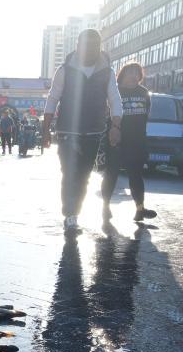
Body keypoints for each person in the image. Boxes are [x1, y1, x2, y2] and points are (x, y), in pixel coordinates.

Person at [42, 29, 123, 233]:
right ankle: (70, 215)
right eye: (85, 46)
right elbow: (53, 99)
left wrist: (116, 126)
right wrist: (45, 130)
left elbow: (115, 99)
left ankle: (74, 212)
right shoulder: (65, 70)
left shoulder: (107, 72)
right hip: (67, 131)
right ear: (77, 46)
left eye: (94, 46)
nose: (89, 50)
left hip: (94, 132)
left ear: (99, 47)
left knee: (84, 175)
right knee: (69, 173)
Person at [101, 62, 156, 222]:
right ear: (122, 75)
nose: (133, 76)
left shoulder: (144, 92)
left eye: (136, 73)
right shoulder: (114, 92)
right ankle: (105, 207)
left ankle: (140, 209)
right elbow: (106, 115)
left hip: (137, 141)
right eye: (130, 72)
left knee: (136, 175)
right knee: (111, 175)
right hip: (116, 140)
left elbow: (145, 117)